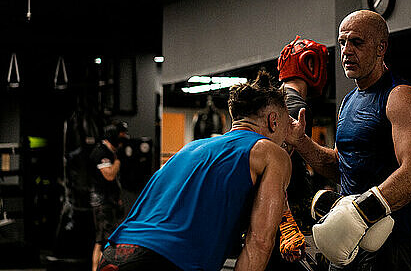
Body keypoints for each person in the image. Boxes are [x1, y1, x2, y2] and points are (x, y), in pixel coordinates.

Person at [98, 71, 306, 271]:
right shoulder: (271, 154)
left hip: (115, 253)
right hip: (165, 260)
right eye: (287, 123)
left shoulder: (193, 147)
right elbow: (259, 243)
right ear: (274, 120)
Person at [285, 10, 411, 271]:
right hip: (350, 235)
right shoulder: (349, 101)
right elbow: (339, 166)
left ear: (381, 48)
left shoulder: (400, 96)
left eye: (356, 42)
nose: (346, 51)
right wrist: (301, 142)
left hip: (393, 242)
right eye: (342, 42)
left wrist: (361, 212)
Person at [265, 35, 329, 269]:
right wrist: (285, 220)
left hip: (273, 210)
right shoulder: (295, 105)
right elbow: (274, 165)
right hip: (284, 210)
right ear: (311, 65)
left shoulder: (273, 99)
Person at [90, 120, 128, 271]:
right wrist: (118, 161)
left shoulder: (109, 152)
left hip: (108, 201)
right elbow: (110, 175)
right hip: (102, 202)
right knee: (103, 241)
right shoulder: (101, 152)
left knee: (103, 240)